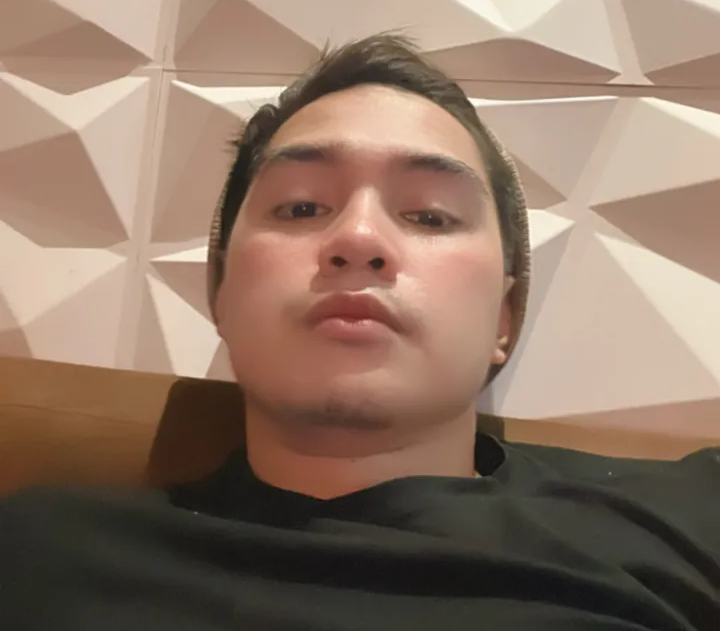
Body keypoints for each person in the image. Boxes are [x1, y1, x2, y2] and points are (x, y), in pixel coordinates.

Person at [1, 34, 718, 630]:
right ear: (221, 293)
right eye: (301, 208)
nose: (359, 239)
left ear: (504, 317)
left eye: (429, 215)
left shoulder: (691, 518)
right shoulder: (42, 556)